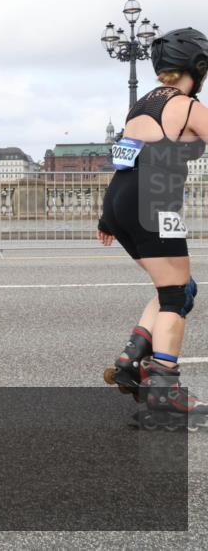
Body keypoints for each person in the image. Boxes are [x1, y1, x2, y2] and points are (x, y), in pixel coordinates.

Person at [98, 27, 208, 430]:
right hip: (154, 204)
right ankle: (164, 389)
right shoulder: (189, 105)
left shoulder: (141, 106)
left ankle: (131, 360)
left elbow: (125, 161)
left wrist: (107, 217)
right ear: (198, 65)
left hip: (122, 199)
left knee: (178, 287)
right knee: (177, 295)